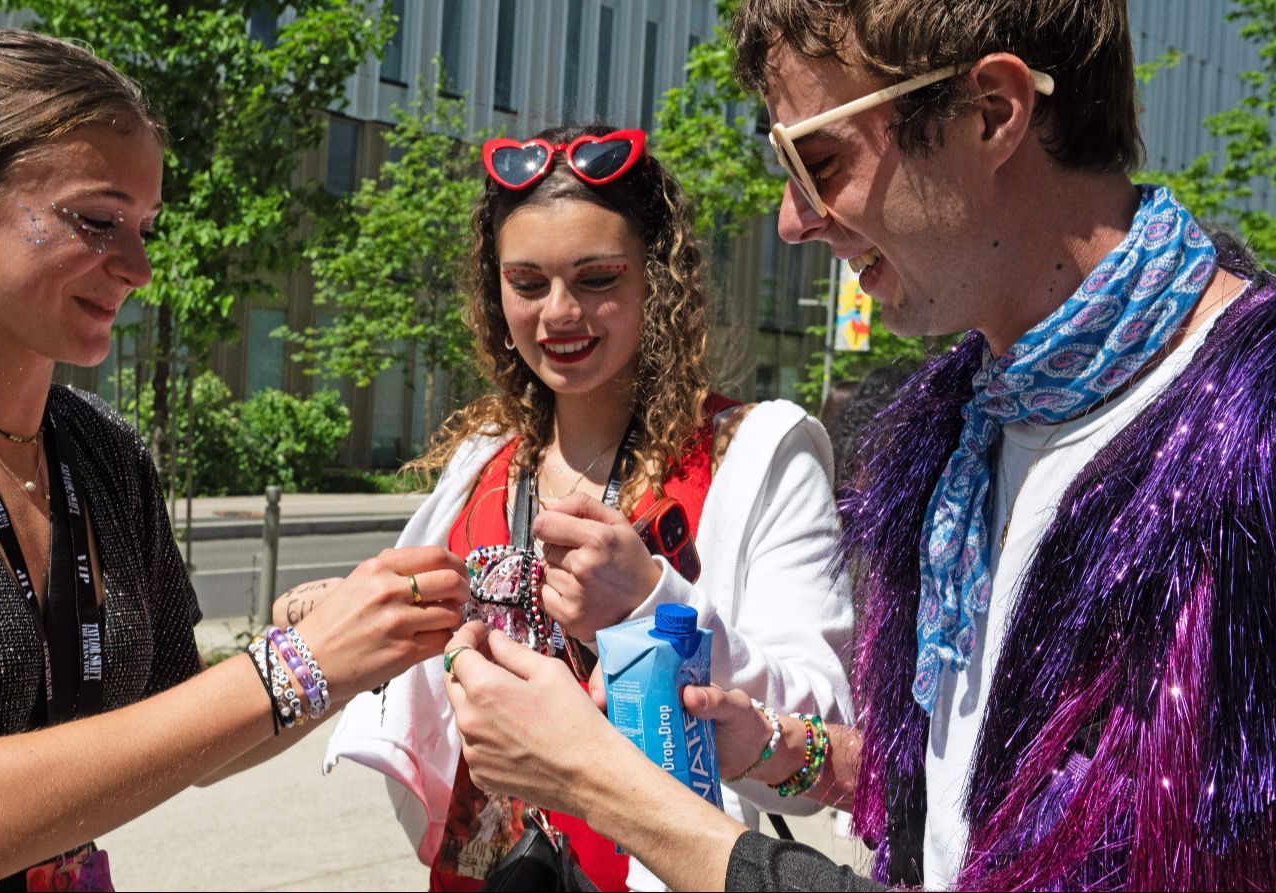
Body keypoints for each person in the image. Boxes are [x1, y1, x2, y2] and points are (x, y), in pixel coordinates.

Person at [440, 0, 1276, 890]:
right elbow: (970, 802)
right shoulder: (955, 433)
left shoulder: (1271, 434)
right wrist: (795, 751)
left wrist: (604, 786)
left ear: (991, 113)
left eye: (818, 161)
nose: (792, 219)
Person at [0, 30, 467, 891]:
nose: (139, 267)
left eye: (144, 227)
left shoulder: (101, 447)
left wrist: (354, 645)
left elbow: (185, 735)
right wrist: (296, 665)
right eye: (97, 222)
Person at [285, 124, 854, 892]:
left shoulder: (756, 453)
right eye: (526, 282)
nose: (558, 312)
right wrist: (353, 611)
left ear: (657, 280)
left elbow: (822, 727)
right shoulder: (483, 459)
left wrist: (649, 604)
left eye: (596, 278)